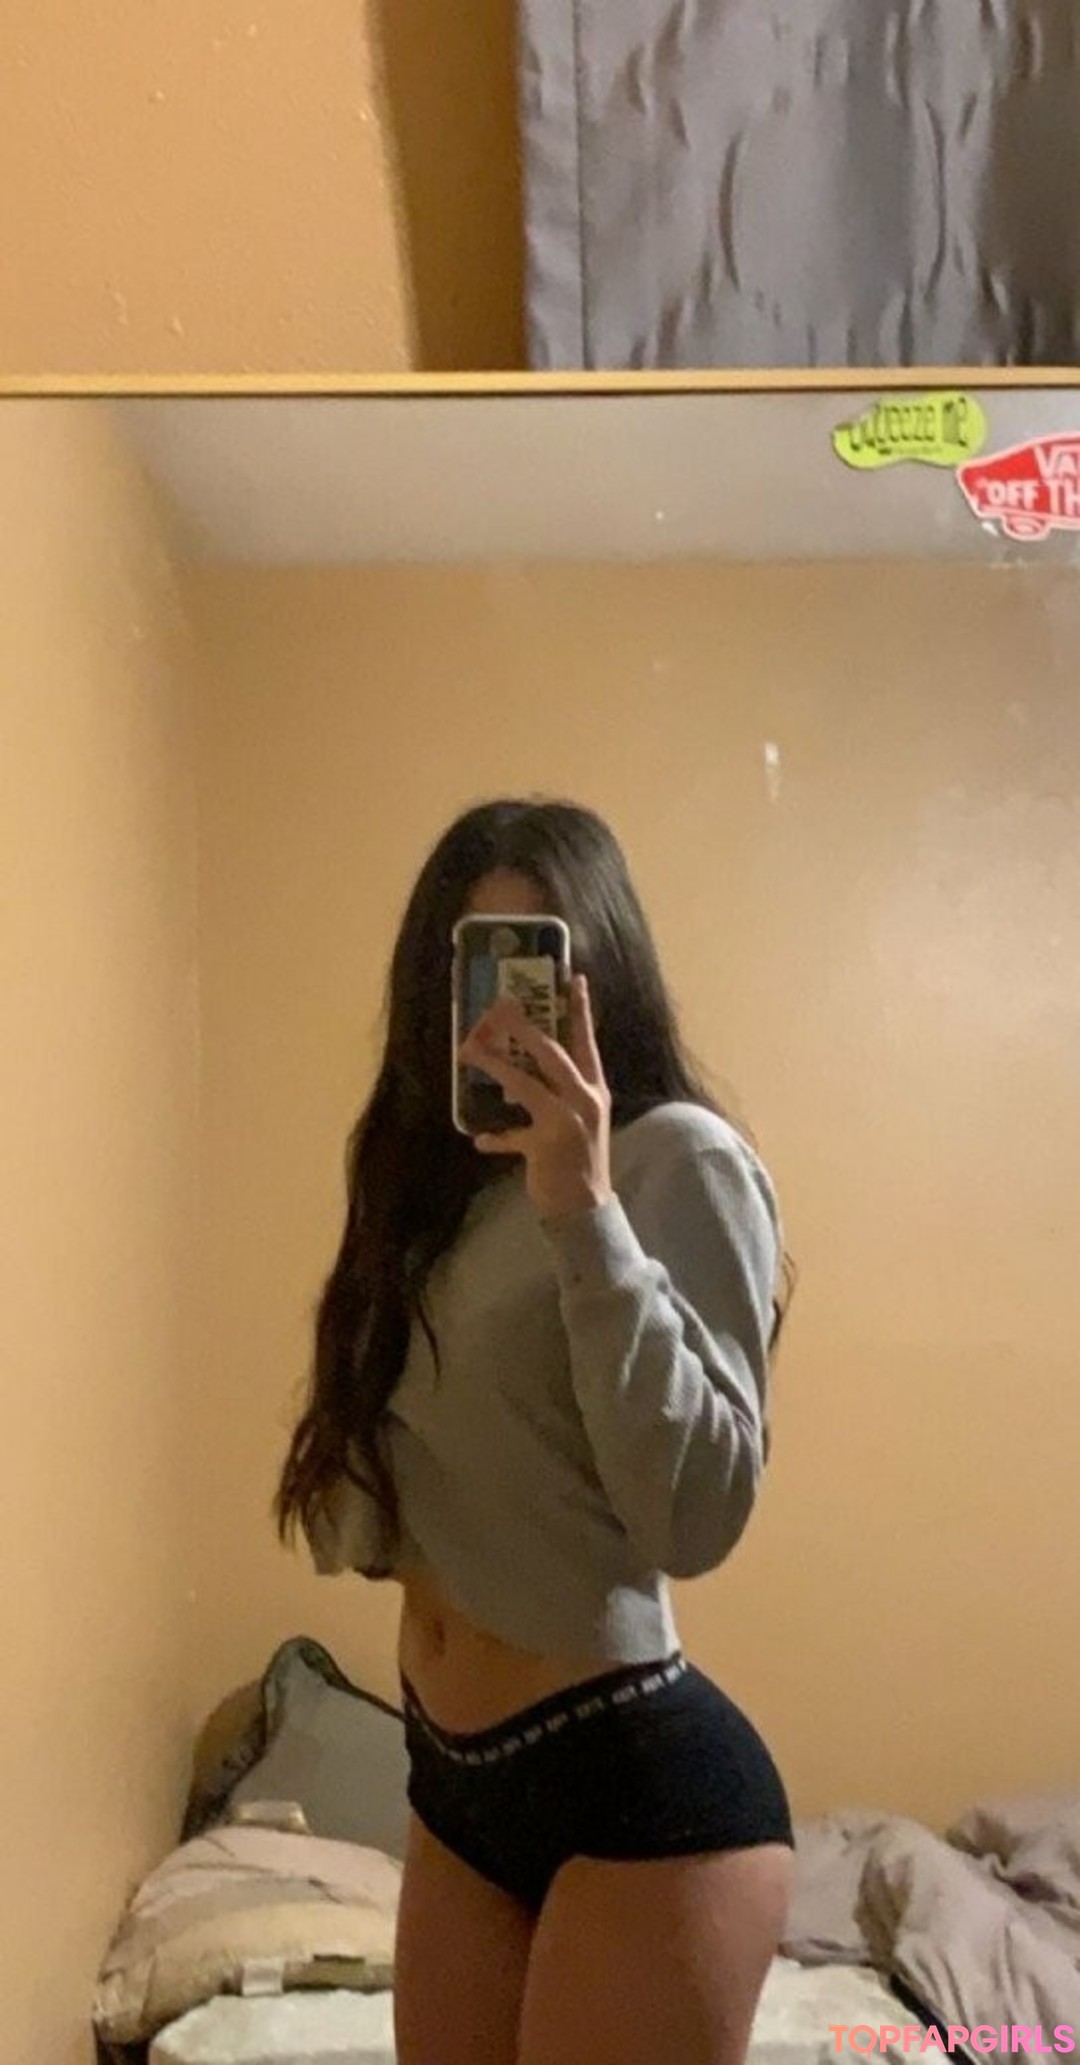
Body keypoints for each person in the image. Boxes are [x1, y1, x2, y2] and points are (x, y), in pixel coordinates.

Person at [275, 796, 797, 2065]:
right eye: (472, 973)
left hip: (634, 1783)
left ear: (597, 975)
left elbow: (696, 1515)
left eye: (535, 970)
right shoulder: (435, 1187)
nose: (502, 1021)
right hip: (452, 1775)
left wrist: (584, 1211)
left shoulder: (677, 1161)